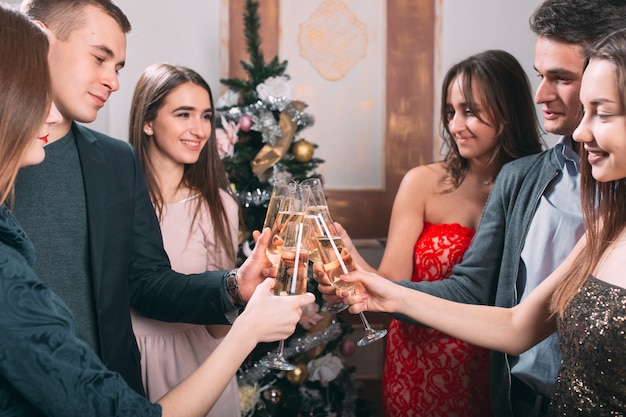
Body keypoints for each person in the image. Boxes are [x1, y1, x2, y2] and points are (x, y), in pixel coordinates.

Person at [0, 5, 315, 416]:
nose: (113, 81)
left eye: (119, 66)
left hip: (109, 392)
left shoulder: (115, 161)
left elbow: (146, 281)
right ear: (40, 37)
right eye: (99, 57)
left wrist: (234, 286)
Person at [319, 1, 626, 416]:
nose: (542, 95)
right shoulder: (552, 195)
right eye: (540, 76)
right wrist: (381, 289)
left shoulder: (611, 207)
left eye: (601, 111)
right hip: (514, 397)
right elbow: (511, 321)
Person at [363, 50, 542, 417]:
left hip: (495, 366)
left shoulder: (537, 186)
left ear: (508, 111)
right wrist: (349, 260)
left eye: (470, 111)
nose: (455, 124)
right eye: (451, 111)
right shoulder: (423, 183)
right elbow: (390, 282)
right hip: (417, 363)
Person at [128, 63, 243, 415]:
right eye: (183, 114)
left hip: (193, 372)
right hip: (121, 362)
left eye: (206, 116)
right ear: (148, 121)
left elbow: (217, 326)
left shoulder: (217, 205)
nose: (199, 129)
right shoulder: (111, 200)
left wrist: (244, 288)